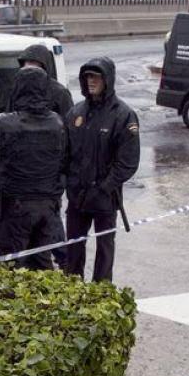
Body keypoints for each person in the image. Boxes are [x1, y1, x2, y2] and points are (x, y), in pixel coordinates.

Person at [65, 57, 140, 283]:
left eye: (96, 76)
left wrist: (103, 188)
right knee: (74, 248)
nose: (91, 81)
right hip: (78, 197)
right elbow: (65, 154)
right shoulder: (76, 113)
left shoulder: (124, 115)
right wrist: (71, 185)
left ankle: (101, 293)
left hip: (105, 198)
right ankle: (73, 289)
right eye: (88, 76)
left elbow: (127, 163)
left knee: (105, 249)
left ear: (107, 79)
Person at [0, 67, 68, 271]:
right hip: (48, 206)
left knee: (12, 267)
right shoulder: (57, 123)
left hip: (16, 206)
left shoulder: (4, 124)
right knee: (41, 262)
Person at [15, 44, 75, 269]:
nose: (29, 69)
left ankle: (63, 265)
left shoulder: (58, 93)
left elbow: (69, 134)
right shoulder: (19, 88)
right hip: (23, 174)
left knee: (50, 229)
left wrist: (62, 173)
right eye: (25, 65)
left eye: (34, 65)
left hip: (49, 175)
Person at [15, 44, 74, 117]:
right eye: (26, 63)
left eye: (33, 63)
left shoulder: (60, 92)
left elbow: (69, 120)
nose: (28, 67)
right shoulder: (18, 88)